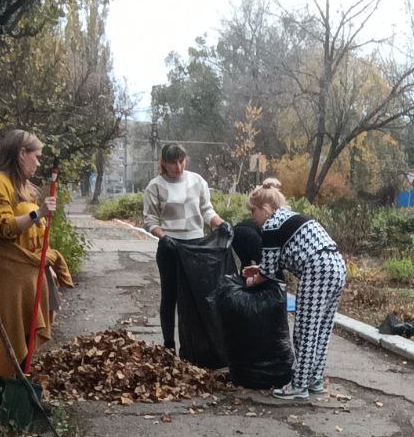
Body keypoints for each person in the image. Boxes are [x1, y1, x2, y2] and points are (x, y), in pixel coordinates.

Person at [0, 130, 73, 418]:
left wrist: (47, 263)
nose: (39, 163)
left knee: (27, 335)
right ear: (21, 153)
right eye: (36, 156)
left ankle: (21, 398)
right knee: (8, 334)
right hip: (9, 274)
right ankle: (4, 404)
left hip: (31, 273)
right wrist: (37, 213)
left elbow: (35, 234)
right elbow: (3, 228)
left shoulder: (28, 188)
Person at [242, 179, 346, 400]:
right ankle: (314, 380)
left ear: (265, 208)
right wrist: (259, 270)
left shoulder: (271, 226)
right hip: (336, 266)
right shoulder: (290, 217)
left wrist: (252, 282)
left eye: (254, 211)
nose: (253, 218)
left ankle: (298, 385)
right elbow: (275, 262)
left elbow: (269, 272)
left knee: (305, 331)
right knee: (322, 329)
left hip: (316, 269)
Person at [143, 142, 230, 351]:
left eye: (181, 161)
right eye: (173, 163)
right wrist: (164, 238)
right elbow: (150, 221)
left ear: (185, 160)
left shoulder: (197, 181)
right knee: (170, 296)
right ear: (163, 163)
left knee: (197, 296)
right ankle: (169, 345)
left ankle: (197, 345)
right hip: (170, 247)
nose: (178, 167)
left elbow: (207, 211)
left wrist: (222, 224)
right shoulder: (155, 186)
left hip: (196, 247)